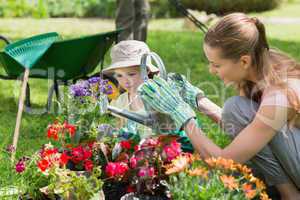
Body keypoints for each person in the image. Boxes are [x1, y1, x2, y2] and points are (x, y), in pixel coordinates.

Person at [138, 13, 300, 199]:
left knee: (236, 109)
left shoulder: (278, 95)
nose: (211, 70)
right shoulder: (261, 63)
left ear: (244, 61)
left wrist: (184, 117)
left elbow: (224, 161)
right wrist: (198, 100)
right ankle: (288, 193)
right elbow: (247, 129)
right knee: (236, 109)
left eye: (216, 65)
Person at [102, 40, 159, 139]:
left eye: (131, 74)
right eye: (120, 76)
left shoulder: (157, 99)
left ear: (147, 70)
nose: (125, 81)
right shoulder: (120, 102)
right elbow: (116, 132)